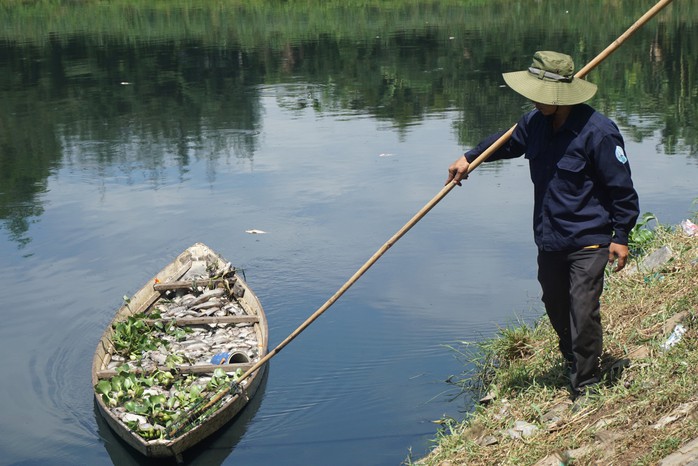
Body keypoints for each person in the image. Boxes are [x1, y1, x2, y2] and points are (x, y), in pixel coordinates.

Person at [446, 51, 640, 398]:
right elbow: (507, 143)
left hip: (590, 238)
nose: (533, 99)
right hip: (550, 237)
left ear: (559, 94)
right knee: (555, 303)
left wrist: (621, 235)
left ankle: (586, 384)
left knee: (583, 309)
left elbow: (621, 189)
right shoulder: (534, 122)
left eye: (539, 93)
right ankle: (573, 358)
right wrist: (470, 158)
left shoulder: (598, 132)